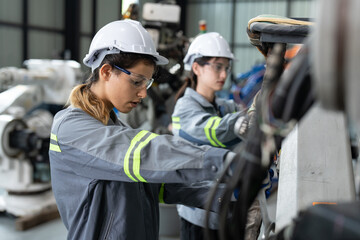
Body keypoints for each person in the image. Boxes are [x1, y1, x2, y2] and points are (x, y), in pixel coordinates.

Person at [48, 19, 238, 240]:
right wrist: (227, 163)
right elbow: (145, 153)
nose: (143, 93)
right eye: (137, 82)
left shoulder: (114, 127)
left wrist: (229, 196)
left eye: (146, 84)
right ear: (107, 71)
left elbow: (160, 186)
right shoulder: (70, 128)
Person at [171, 32, 261, 240]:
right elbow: (215, 132)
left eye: (226, 68)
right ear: (196, 68)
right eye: (217, 66)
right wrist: (243, 121)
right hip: (199, 213)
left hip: (227, 209)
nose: (223, 74)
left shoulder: (224, 105)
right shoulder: (184, 108)